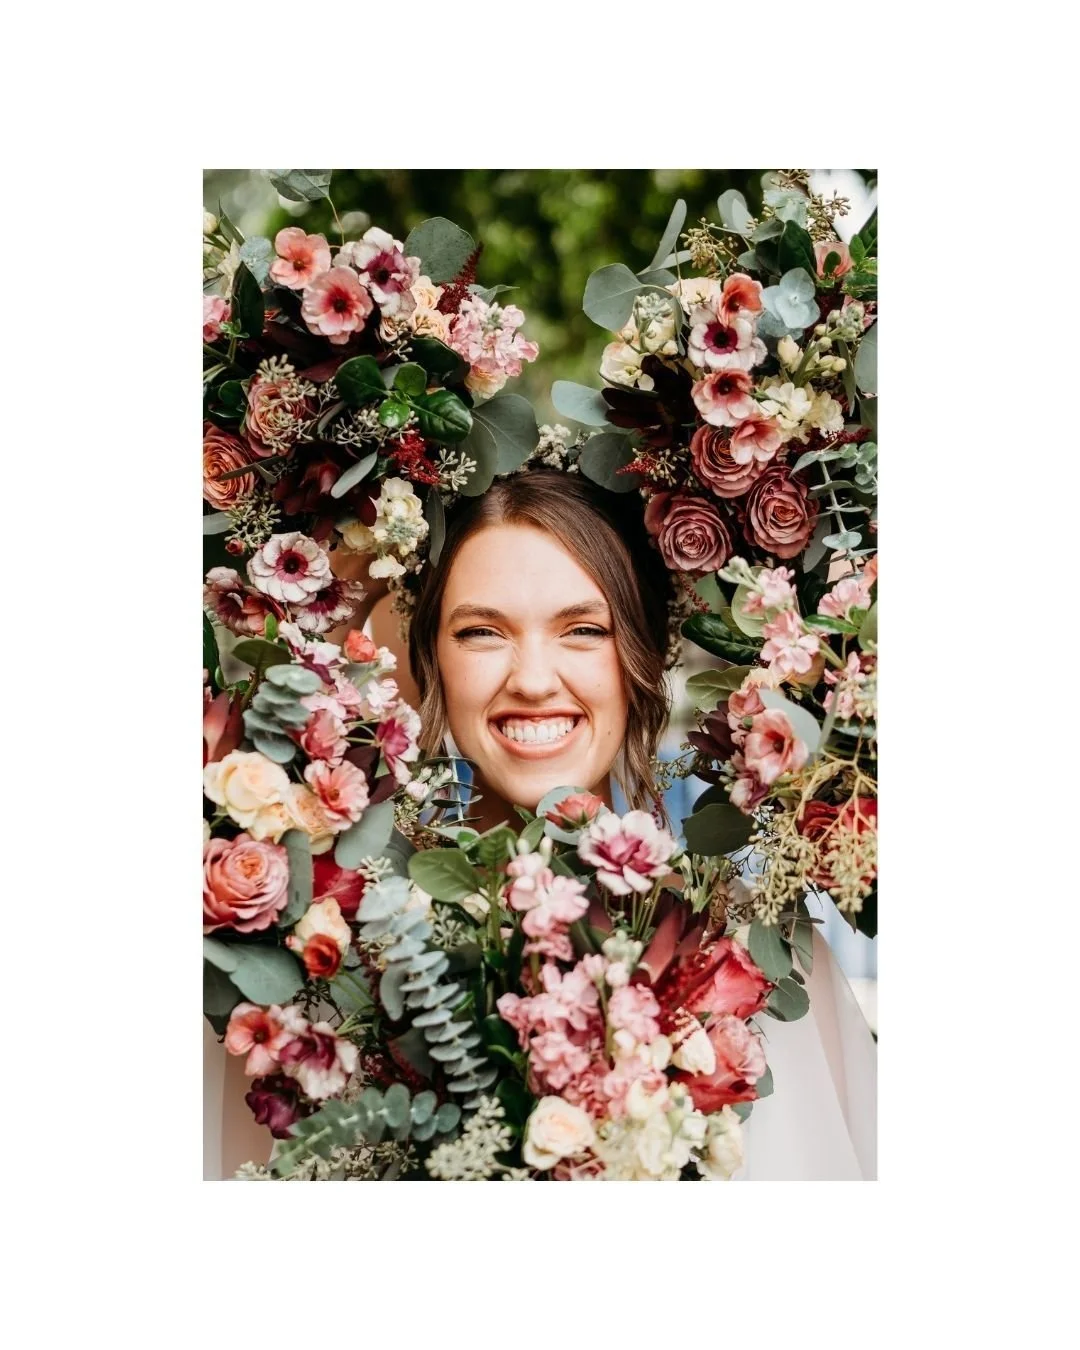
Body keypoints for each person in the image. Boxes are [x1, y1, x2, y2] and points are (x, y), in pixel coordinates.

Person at [205, 470, 876, 1180]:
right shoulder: (309, 985)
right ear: (433, 659)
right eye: (481, 632)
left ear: (644, 656)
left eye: (583, 630)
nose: (531, 679)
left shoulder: (765, 965)